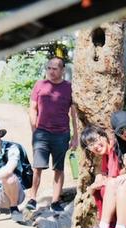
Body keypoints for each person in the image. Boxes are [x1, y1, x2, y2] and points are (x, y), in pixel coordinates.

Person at [28, 56, 78, 212]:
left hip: (61, 134)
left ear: (63, 70)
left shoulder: (69, 87)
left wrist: (75, 136)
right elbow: (32, 108)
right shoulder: (39, 85)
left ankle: (55, 201)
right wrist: (34, 131)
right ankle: (32, 198)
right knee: (37, 167)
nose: (51, 71)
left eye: (55, 68)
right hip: (41, 133)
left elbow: (74, 114)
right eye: (49, 68)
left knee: (59, 169)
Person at [76, 125, 126, 228]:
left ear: (103, 136)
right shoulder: (105, 155)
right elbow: (103, 173)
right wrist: (98, 181)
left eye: (96, 140)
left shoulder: (115, 149)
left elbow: (113, 178)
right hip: (119, 184)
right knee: (100, 189)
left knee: (105, 188)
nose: (95, 146)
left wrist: (97, 184)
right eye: (90, 145)